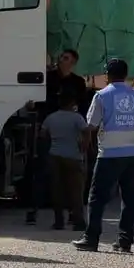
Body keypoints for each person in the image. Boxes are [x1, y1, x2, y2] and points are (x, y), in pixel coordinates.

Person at [73, 58, 134, 253]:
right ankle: (125, 241)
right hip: (132, 154)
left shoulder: (101, 95)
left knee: (97, 197)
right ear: (126, 75)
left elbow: (90, 125)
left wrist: (86, 144)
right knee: (129, 197)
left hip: (108, 154)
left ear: (107, 75)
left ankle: (91, 239)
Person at [25, 48, 88, 225]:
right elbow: (37, 99)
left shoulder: (77, 82)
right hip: (48, 128)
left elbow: (83, 108)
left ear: (73, 62)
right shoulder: (48, 78)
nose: (61, 60)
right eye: (61, 57)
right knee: (43, 172)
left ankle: (71, 214)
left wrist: (82, 135)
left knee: (71, 177)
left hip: (69, 131)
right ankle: (34, 210)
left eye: (66, 58)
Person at [41, 90, 89, 231]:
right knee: (76, 191)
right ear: (72, 103)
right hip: (73, 157)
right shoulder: (77, 118)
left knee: (57, 190)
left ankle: (58, 222)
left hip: (55, 156)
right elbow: (86, 131)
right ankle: (78, 222)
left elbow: (43, 134)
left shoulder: (51, 118)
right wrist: (84, 147)